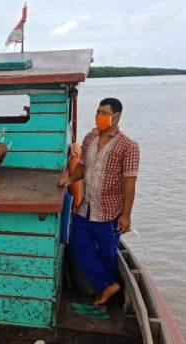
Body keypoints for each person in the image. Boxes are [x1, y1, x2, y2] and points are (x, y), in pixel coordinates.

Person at [59, 98, 139, 307]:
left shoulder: (128, 146)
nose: (99, 116)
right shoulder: (90, 138)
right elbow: (82, 167)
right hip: (86, 208)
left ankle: (108, 293)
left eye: (104, 112)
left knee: (108, 255)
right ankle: (109, 285)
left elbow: (129, 183)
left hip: (110, 211)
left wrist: (126, 215)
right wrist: (69, 179)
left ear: (117, 116)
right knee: (77, 245)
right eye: (97, 111)